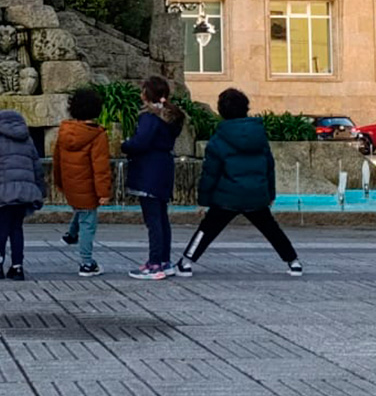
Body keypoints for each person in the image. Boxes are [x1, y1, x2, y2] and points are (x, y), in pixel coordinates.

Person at [175, 88, 303, 278]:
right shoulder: (259, 135)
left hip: (227, 195)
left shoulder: (218, 139)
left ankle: (186, 263)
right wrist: (270, 194)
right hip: (256, 193)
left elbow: (210, 173)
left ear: (221, 111)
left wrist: (203, 200)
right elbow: (269, 166)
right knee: (271, 229)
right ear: (246, 108)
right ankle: (294, 262)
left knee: (207, 230)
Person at [122, 75, 184, 281]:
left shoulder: (149, 117)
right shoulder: (171, 117)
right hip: (164, 168)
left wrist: (125, 145)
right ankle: (165, 261)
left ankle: (154, 264)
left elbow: (141, 143)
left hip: (148, 171)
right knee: (162, 218)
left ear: (147, 94)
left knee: (153, 220)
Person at [0, 108, 44, 281]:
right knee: (16, 228)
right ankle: (17, 267)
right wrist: (40, 190)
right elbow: (36, 164)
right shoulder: (25, 135)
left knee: (1, 227)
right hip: (23, 190)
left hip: (2, 190)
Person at [52, 87, 112, 277]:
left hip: (71, 184)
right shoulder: (97, 135)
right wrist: (104, 193)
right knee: (88, 222)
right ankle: (87, 263)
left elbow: (56, 160)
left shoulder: (64, 131)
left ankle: (70, 235)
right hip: (88, 187)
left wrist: (59, 182)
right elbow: (100, 167)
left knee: (81, 210)